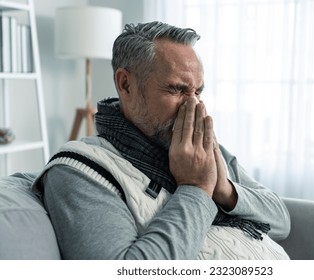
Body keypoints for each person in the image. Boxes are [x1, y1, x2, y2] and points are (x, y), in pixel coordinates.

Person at [33, 21, 290, 260]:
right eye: (176, 89)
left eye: (198, 91)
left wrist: (224, 189)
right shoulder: (79, 171)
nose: (194, 104)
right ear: (126, 85)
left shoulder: (202, 151)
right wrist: (197, 189)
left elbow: (282, 221)